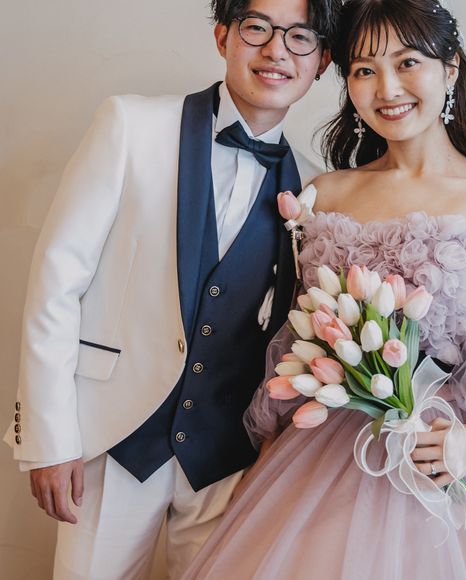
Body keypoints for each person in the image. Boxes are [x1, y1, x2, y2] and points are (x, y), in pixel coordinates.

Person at [182, 0, 466, 578]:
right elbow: (299, 339)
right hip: (325, 454)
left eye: (407, 62)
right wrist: (268, 457)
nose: (387, 88)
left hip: (454, 452)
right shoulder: (326, 194)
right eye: (365, 70)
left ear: (450, 68)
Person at [3, 1, 341, 578]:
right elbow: (57, 284)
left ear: (322, 60)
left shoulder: (317, 189)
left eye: (300, 37)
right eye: (257, 27)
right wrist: (49, 439)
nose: (276, 50)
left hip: (228, 464)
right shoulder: (130, 126)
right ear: (223, 36)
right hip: (114, 439)